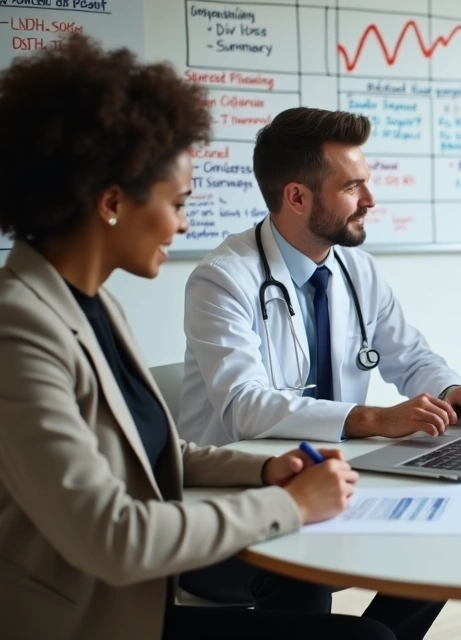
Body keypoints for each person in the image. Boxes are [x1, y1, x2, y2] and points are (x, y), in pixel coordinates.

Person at [0, 34, 395, 640]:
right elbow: (112, 537)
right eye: (178, 203)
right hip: (91, 619)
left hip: (138, 595)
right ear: (112, 202)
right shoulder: (19, 329)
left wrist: (268, 471)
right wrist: (290, 505)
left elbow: (158, 455)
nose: (185, 225)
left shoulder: (91, 303)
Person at [175, 107, 461, 630]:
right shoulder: (222, 279)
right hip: (235, 512)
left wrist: (450, 389)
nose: (370, 200)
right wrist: (375, 418)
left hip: (335, 489)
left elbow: (411, 357)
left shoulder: (357, 269)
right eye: (352, 187)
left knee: (449, 532)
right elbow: (244, 406)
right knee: (304, 576)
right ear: (297, 197)